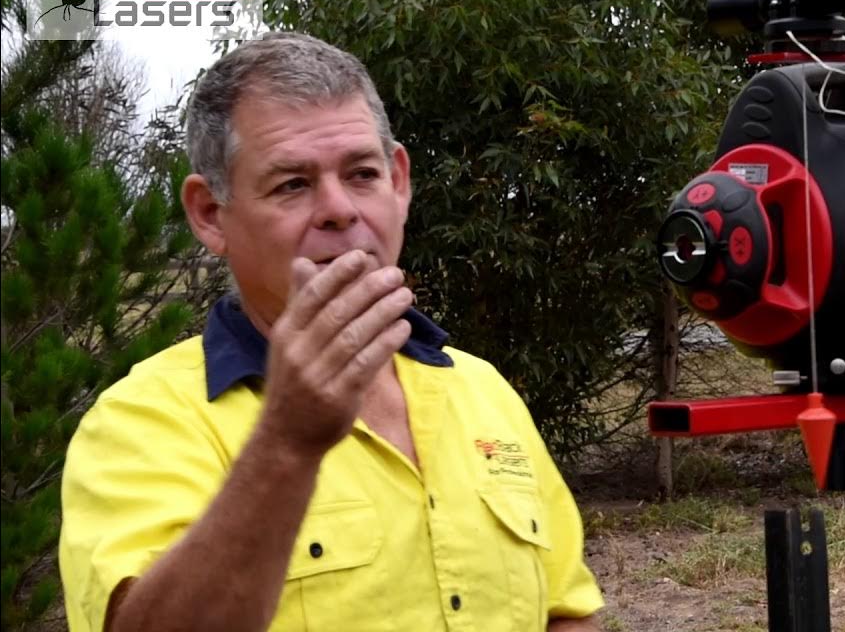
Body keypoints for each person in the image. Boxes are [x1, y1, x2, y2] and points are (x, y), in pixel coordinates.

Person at [58, 32, 605, 632]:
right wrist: (286, 445)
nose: (339, 209)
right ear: (211, 215)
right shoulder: (141, 422)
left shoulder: (484, 392)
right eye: (292, 183)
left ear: (399, 182)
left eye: (362, 173)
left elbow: (564, 610)